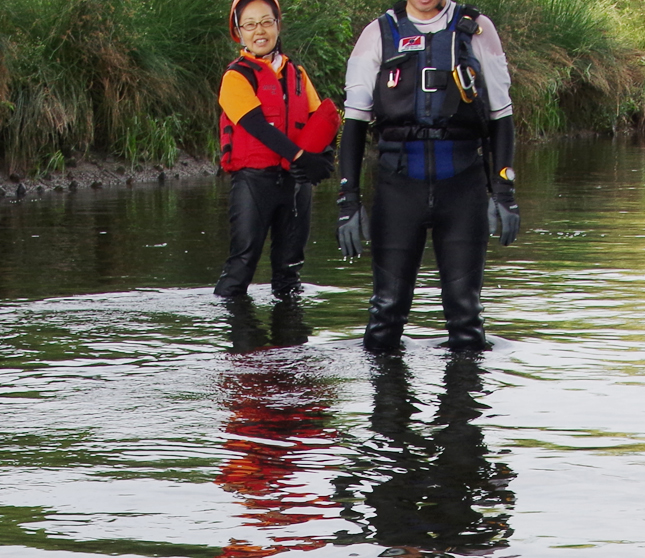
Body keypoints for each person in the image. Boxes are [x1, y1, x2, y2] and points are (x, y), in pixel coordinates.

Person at [334, 0, 521, 353]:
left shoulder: (479, 29)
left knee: (466, 321)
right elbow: (355, 123)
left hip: (462, 187)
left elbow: (501, 114)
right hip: (398, 188)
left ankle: (463, 404)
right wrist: (348, 200)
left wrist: (503, 192)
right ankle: (386, 406)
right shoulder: (377, 34)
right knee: (385, 316)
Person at [213, 0, 341, 300]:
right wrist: (300, 157)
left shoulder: (297, 73)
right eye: (250, 24)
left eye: (267, 21)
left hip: (295, 183)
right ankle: (236, 344)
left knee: (290, 272)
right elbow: (256, 125)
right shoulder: (235, 77)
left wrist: (323, 156)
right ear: (238, 32)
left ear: (278, 25)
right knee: (241, 265)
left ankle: (291, 346)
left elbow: (317, 120)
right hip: (254, 181)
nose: (260, 30)